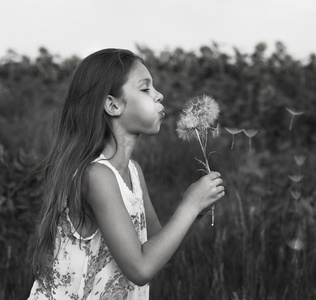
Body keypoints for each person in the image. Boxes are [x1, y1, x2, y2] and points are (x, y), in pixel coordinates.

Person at [28, 48, 225, 300]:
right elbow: (140, 269)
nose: (159, 95)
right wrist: (188, 205)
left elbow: (155, 249)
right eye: (145, 89)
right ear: (113, 105)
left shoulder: (133, 172)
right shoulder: (96, 175)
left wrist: (194, 212)